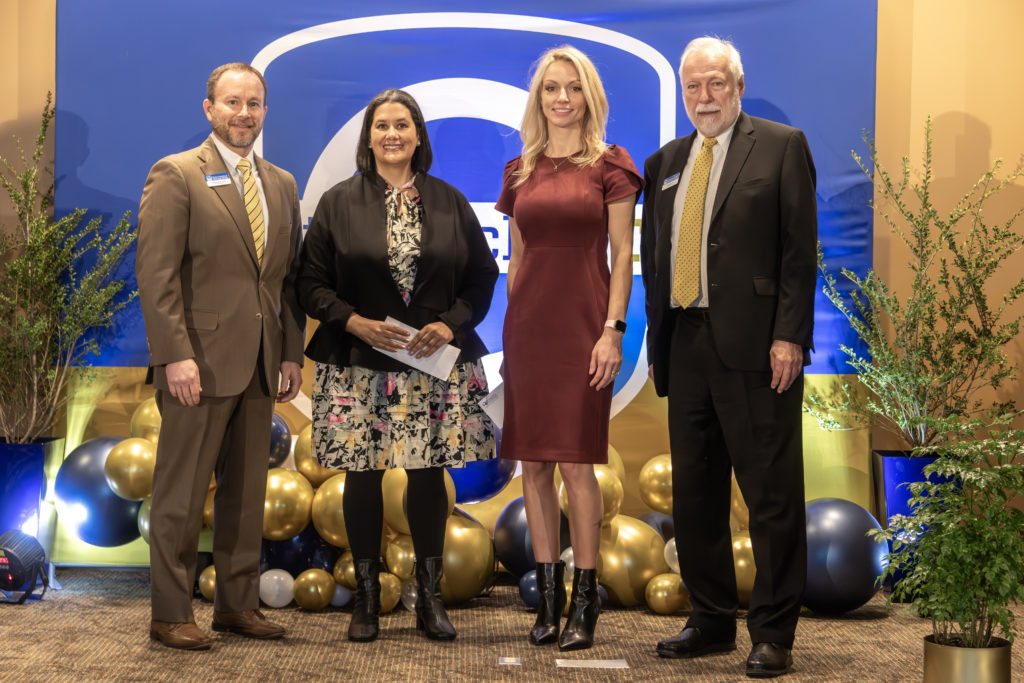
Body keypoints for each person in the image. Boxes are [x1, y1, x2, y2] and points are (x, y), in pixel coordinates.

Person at [640, 37, 817, 678]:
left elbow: (799, 252)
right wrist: (657, 342)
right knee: (695, 494)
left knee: (770, 495)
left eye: (715, 83)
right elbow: (656, 263)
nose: (704, 97)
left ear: (738, 84)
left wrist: (790, 336)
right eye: (693, 86)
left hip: (759, 347)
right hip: (684, 345)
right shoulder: (665, 162)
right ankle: (710, 620)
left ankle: (773, 632)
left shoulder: (780, 146)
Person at [296, 89, 498, 643]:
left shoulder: (450, 201)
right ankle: (366, 598)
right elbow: (309, 283)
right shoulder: (338, 202)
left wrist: (451, 323)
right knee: (361, 477)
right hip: (359, 360)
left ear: (418, 135)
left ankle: (428, 599)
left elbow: (482, 278)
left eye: (402, 125)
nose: (392, 134)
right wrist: (352, 320)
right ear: (368, 136)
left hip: (431, 361)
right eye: (382, 125)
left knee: (429, 476)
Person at [137, 62, 305, 650]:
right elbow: (156, 277)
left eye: (254, 103)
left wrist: (289, 352)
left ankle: (236, 606)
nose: (244, 113)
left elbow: (284, 282)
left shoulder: (281, 183)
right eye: (232, 102)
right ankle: (170, 614)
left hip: (261, 364)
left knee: (245, 496)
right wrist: (174, 355)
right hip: (197, 364)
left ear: (264, 110)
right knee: (180, 496)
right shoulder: (177, 175)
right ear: (209, 109)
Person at [496, 45, 642, 652]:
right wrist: (510, 330)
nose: (562, 98)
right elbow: (519, 258)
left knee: (578, 466)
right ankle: (547, 601)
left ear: (590, 97)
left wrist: (613, 331)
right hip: (528, 332)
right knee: (532, 466)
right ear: (539, 99)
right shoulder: (518, 170)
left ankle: (586, 603)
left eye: (573, 88)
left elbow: (621, 258)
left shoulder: (613, 165)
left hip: (585, 329)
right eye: (551, 88)